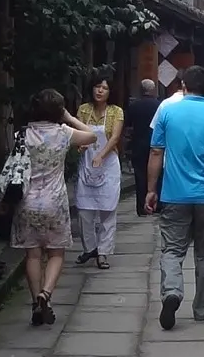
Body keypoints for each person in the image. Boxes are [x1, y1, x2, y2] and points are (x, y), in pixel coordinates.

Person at [146, 63, 204, 329]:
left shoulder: (167, 112)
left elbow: (156, 153)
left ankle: (172, 292)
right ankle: (203, 308)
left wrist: (151, 189)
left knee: (172, 250)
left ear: (183, 85)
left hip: (174, 194)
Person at [10, 86, 101, 325]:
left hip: (27, 201)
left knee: (32, 254)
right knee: (56, 252)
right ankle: (46, 293)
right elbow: (92, 135)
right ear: (58, 111)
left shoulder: (21, 134)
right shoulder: (63, 133)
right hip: (55, 201)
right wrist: (69, 118)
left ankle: (35, 302)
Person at [73, 75, 124, 267]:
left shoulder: (116, 112)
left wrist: (101, 155)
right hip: (87, 163)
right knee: (84, 211)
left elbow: (115, 137)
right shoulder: (83, 110)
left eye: (104, 88)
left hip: (108, 163)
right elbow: (78, 133)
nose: (100, 91)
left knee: (107, 209)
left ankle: (103, 252)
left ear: (110, 92)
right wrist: (80, 146)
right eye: (97, 87)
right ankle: (89, 248)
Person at [123, 77, 160, 215]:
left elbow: (127, 126)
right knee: (157, 175)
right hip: (156, 145)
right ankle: (156, 205)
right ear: (153, 90)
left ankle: (141, 207)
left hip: (138, 145)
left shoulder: (134, 106)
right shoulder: (159, 105)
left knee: (140, 176)